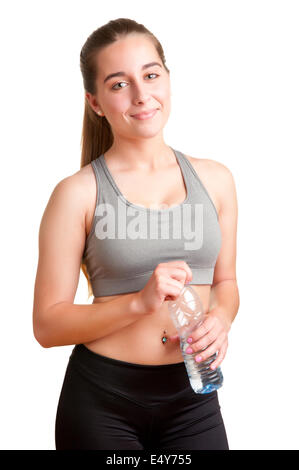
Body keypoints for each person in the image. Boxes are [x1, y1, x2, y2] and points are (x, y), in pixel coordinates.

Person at [32, 17, 239, 451]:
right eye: (119, 84)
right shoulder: (77, 194)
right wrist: (139, 303)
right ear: (95, 102)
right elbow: (47, 325)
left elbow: (225, 283)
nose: (142, 95)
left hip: (194, 397)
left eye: (150, 75)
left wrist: (221, 318)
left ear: (167, 79)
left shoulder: (216, 180)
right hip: (103, 401)